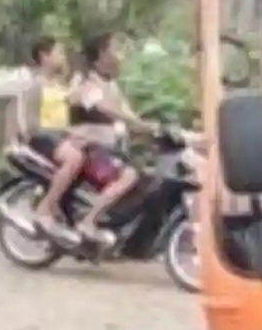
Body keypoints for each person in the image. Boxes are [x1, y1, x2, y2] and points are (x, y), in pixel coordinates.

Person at [67, 31, 158, 246]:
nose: (119, 54)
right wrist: (136, 124)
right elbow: (105, 108)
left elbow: (127, 113)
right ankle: (88, 221)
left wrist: (153, 128)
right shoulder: (85, 80)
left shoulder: (110, 84)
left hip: (111, 148)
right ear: (102, 54)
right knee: (129, 175)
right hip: (90, 149)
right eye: (114, 49)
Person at [16, 36, 86, 244]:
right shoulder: (35, 86)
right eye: (59, 53)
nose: (63, 57)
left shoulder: (59, 84)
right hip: (42, 138)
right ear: (44, 57)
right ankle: (45, 208)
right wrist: (63, 133)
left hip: (59, 137)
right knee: (74, 158)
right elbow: (30, 125)